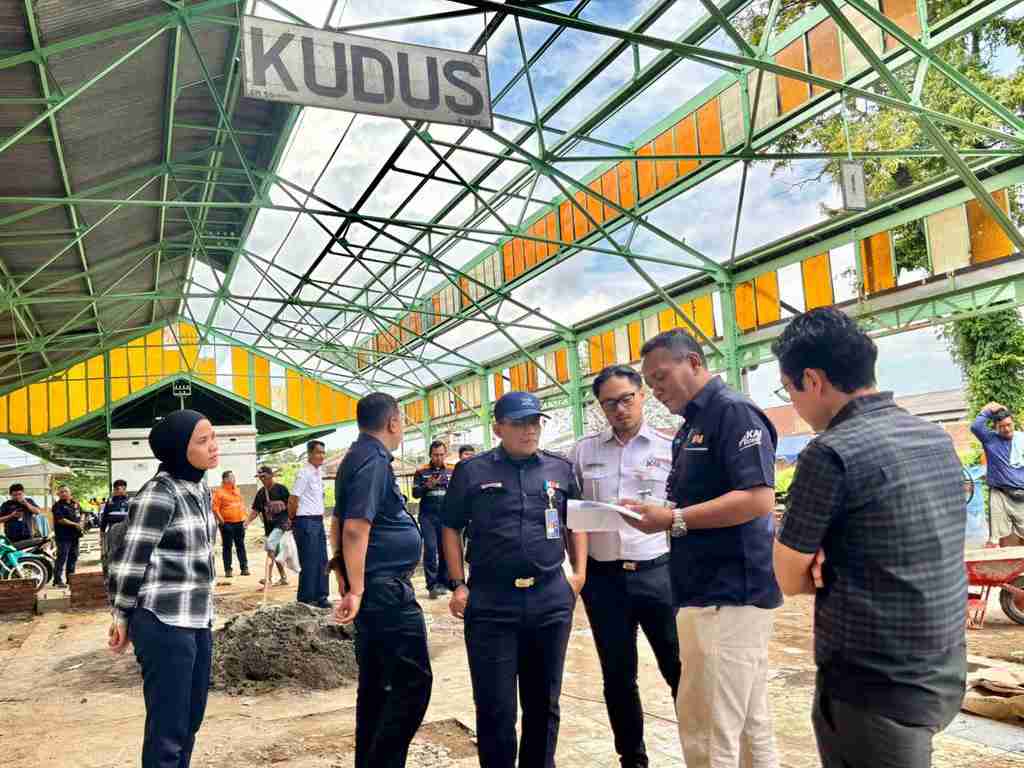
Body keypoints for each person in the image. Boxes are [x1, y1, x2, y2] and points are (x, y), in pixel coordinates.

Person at [771, 308, 967, 768]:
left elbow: (788, 577)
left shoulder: (830, 452)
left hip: (871, 687)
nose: (793, 403)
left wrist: (825, 560)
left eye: (789, 390)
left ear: (812, 380)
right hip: (941, 669)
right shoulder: (933, 438)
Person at [623, 328, 780, 768]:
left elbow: (757, 498)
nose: (656, 390)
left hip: (727, 596)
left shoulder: (732, 412)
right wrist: (663, 512)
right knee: (747, 727)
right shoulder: (692, 425)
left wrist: (672, 519)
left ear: (693, 361)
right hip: (707, 592)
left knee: (708, 732)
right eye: (650, 383)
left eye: (661, 377)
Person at [442, 391, 586, 768]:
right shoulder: (472, 472)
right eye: (519, 423)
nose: (529, 430)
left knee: (544, 703)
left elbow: (576, 522)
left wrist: (578, 574)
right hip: (492, 603)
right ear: (498, 429)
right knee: (495, 707)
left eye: (535, 422)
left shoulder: (560, 468)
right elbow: (450, 526)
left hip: (549, 600)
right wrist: (458, 583)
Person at [571, 365, 680, 768]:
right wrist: (579, 572)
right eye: (609, 403)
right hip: (605, 582)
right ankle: (632, 759)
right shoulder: (583, 452)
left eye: (626, 398)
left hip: (657, 574)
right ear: (600, 407)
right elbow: (573, 515)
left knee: (679, 669)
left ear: (642, 395)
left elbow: (685, 509)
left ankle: (700, 751)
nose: (619, 409)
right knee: (617, 677)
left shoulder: (670, 447)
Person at [107, 409, 220, 768]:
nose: (213, 446)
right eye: (202, 441)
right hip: (163, 621)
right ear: (178, 449)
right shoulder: (160, 493)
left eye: (213, 437)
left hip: (198, 618)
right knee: (168, 729)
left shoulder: (199, 488)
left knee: (190, 721)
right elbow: (129, 559)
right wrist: (121, 616)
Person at [332, 392, 432, 768]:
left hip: (374, 587)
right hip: (385, 591)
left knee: (378, 688)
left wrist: (345, 576)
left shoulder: (355, 457)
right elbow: (355, 528)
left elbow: (338, 522)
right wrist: (356, 589)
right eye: (401, 420)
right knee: (413, 683)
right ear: (392, 422)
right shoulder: (372, 460)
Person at [970, 402, 1024, 547]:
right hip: (1000, 494)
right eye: (1002, 426)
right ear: (996, 427)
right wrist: (988, 411)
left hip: (1022, 495)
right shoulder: (990, 439)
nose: (1006, 429)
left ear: (1013, 423)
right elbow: (975, 427)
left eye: (1009, 425)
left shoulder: (1021, 440)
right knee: (996, 539)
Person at [289, 440, 330, 608]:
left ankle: (321, 596)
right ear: (310, 454)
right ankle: (306, 599)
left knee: (322, 560)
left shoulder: (318, 473)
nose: (322, 456)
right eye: (318, 452)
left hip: (318, 521)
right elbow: (293, 499)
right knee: (309, 560)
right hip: (305, 521)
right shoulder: (304, 473)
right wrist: (293, 520)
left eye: (323, 452)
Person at [412, 440, 452, 599]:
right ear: (430, 455)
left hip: (446, 515)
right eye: (435, 455)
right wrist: (427, 486)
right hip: (427, 516)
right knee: (430, 549)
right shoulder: (421, 471)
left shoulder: (452, 470)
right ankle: (432, 585)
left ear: (445, 454)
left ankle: (443, 582)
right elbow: (415, 494)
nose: (439, 458)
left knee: (445, 549)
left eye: (441, 455)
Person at [246, 466, 290, 587]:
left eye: (264, 476)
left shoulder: (281, 489)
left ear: (271, 476)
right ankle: (283, 577)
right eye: (260, 477)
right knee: (274, 552)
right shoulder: (261, 493)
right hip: (269, 527)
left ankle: (268, 577)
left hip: (282, 525)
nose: (262, 479)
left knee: (270, 546)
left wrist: (292, 520)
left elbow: (292, 505)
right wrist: (247, 522)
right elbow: (255, 510)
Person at [212, 471, 249, 577]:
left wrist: (245, 519)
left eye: (234, 477)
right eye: (231, 477)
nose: (234, 479)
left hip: (239, 523)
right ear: (225, 479)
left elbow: (241, 505)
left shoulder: (237, 490)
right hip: (227, 524)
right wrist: (222, 522)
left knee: (240, 545)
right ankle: (228, 570)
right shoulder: (219, 492)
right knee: (227, 547)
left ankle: (244, 568)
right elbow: (215, 509)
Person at [51, 485, 85, 587]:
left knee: (73, 557)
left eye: (66, 491)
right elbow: (61, 520)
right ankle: (57, 580)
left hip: (75, 536)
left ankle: (71, 579)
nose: (64, 493)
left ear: (70, 492)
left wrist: (82, 521)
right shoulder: (57, 506)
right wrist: (75, 524)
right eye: (61, 492)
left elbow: (82, 513)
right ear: (58, 494)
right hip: (63, 537)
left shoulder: (75, 503)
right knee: (62, 558)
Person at [101, 480, 131, 575]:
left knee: (126, 551)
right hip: (113, 530)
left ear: (125, 489)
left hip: (127, 530)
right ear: (114, 490)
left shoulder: (130, 501)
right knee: (113, 551)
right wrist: (102, 532)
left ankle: (125, 572)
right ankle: (112, 573)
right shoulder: (110, 502)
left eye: (122, 488)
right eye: (117, 489)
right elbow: (104, 517)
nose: (119, 490)